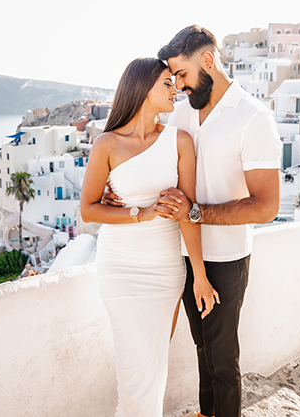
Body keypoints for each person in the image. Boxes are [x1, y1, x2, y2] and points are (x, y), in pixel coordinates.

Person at [105, 26, 282, 417]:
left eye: (181, 74)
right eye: (172, 78)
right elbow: (146, 158)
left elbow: (266, 206)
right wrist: (118, 191)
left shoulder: (254, 119)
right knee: (202, 347)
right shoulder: (179, 110)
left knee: (222, 358)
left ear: (208, 60)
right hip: (178, 252)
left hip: (226, 257)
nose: (178, 85)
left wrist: (197, 211)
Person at [80, 57, 219, 417]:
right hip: (119, 269)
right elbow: (89, 210)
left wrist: (199, 277)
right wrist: (140, 213)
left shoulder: (180, 141)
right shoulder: (106, 145)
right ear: (142, 89)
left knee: (153, 367)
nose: (176, 90)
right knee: (134, 368)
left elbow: (188, 213)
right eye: (166, 84)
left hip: (165, 270)